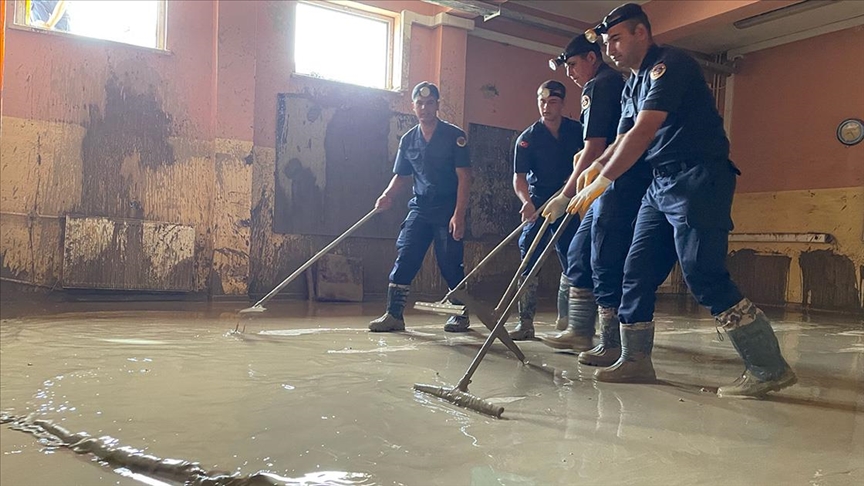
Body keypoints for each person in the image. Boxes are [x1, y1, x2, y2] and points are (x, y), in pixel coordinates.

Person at [567, 3, 796, 398]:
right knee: (634, 272)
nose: (611, 49)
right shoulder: (631, 84)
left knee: (701, 272)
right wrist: (585, 177)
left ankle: (767, 366)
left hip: (698, 176)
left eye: (617, 39)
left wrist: (602, 180)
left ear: (642, 33)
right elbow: (621, 139)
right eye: (607, 43)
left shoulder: (670, 65)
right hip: (660, 183)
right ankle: (636, 359)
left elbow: (643, 131)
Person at [540, 32, 652, 358]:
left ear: (592, 58)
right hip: (614, 178)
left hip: (617, 182)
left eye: (574, 65)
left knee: (601, 257)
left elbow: (595, 147)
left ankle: (610, 343)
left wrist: (567, 192)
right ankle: (580, 331)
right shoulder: (619, 82)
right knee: (580, 252)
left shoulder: (599, 85)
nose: (571, 73)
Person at [369, 82, 473, 333]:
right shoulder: (408, 140)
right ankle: (394, 315)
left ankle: (461, 314)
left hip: (447, 207)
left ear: (437, 105)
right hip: (420, 207)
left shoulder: (454, 136)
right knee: (405, 255)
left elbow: (465, 177)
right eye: (420, 103)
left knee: (449, 262)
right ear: (413, 106)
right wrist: (387, 195)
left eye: (429, 103)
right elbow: (403, 175)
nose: (424, 108)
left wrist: (459, 214)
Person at [508, 81, 584, 340]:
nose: (546, 107)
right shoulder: (527, 139)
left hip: (569, 201)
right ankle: (525, 322)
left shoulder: (578, 131)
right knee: (528, 256)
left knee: (575, 257)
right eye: (542, 102)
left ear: (562, 103)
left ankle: (573, 322)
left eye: (552, 102)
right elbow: (519, 178)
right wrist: (526, 201)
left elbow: (593, 159)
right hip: (539, 203)